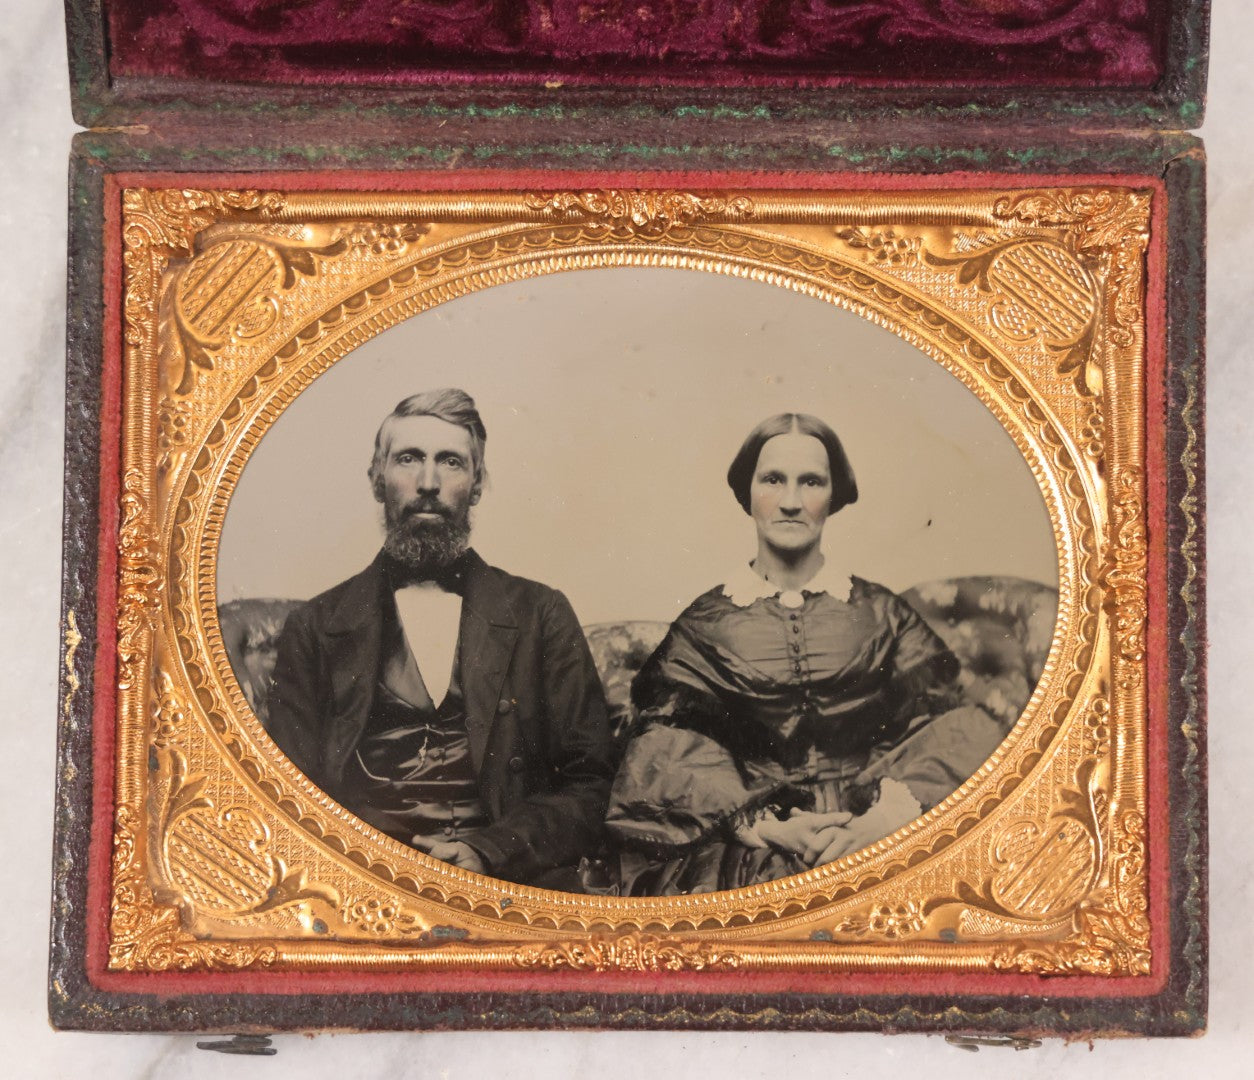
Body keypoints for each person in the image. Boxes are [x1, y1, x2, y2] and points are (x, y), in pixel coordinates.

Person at [605, 412, 1004, 895]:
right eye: (773, 480)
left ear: (834, 495)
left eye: (811, 482)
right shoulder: (705, 621)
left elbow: (948, 728)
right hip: (755, 848)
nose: (791, 502)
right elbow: (661, 748)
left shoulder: (882, 612)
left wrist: (884, 820)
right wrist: (766, 825)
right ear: (748, 492)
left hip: (878, 831)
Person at [266, 388, 613, 889]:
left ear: (477, 484)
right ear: (377, 479)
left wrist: (490, 851)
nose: (428, 483)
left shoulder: (541, 613)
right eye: (408, 459)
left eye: (451, 462)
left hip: (507, 878)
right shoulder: (314, 627)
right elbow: (285, 798)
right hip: (365, 882)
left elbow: (591, 783)